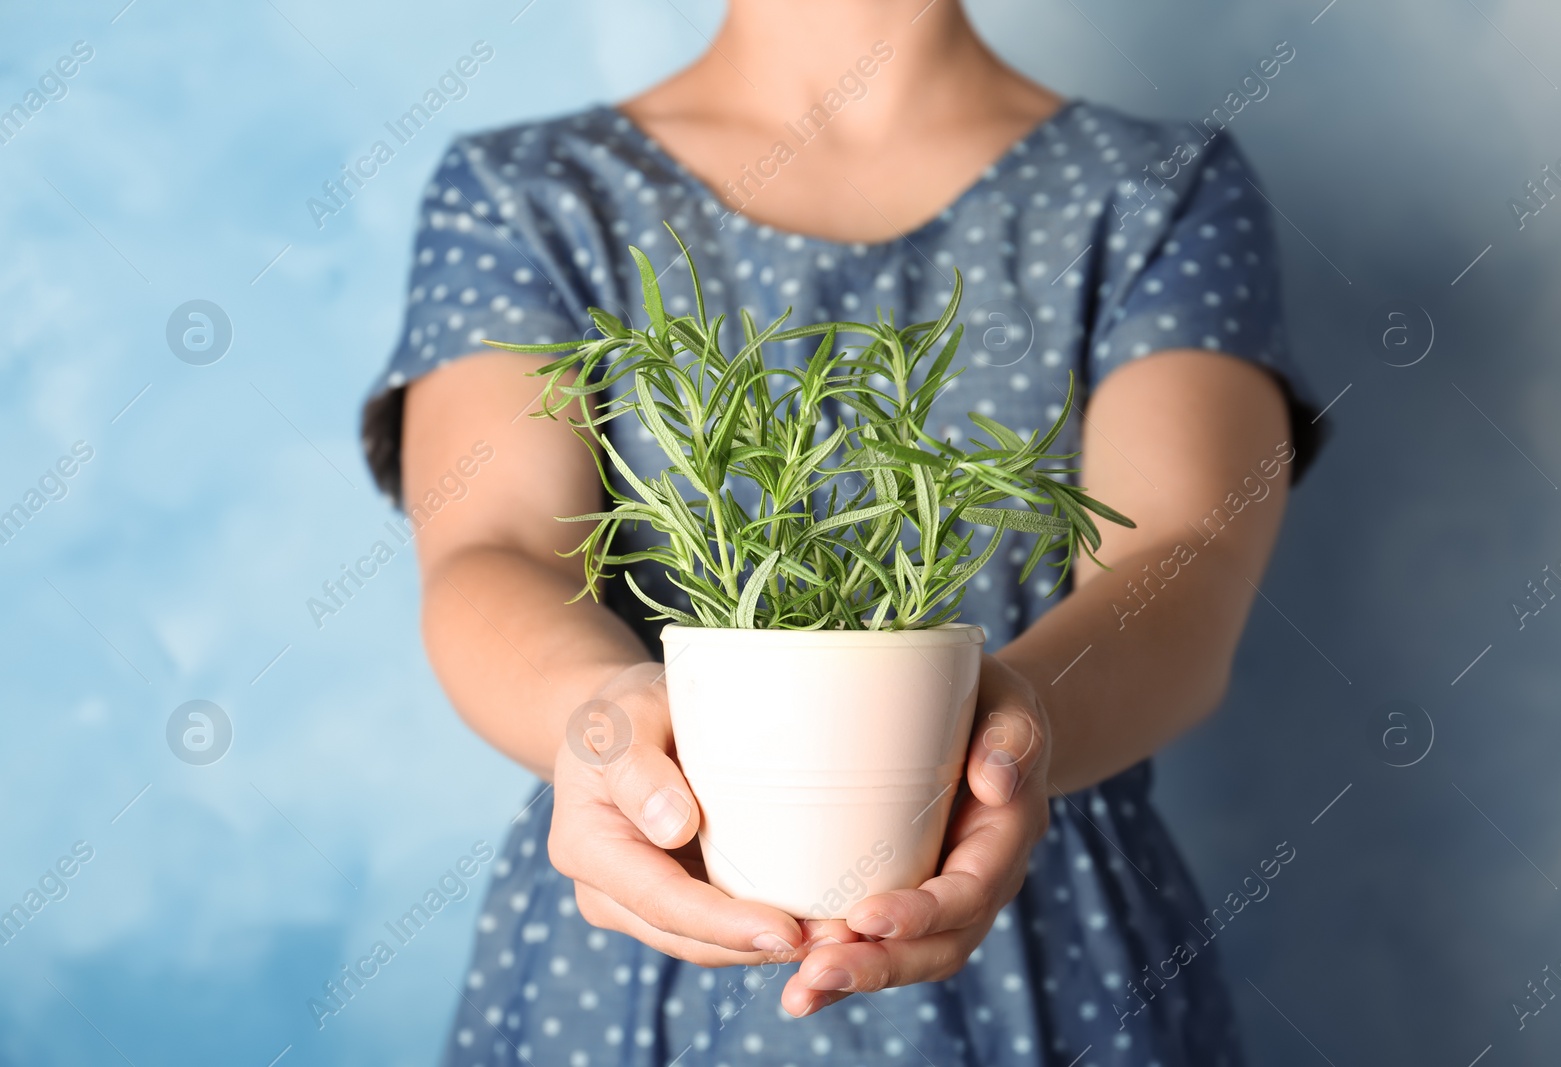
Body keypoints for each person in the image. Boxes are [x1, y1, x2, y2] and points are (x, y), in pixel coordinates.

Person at [360, 1, 1319, 1062]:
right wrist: (603, 729)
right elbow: (491, 548)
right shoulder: (525, 193)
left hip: (1042, 919)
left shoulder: (1164, 187)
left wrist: (1011, 732)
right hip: (648, 917)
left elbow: (1183, 556)